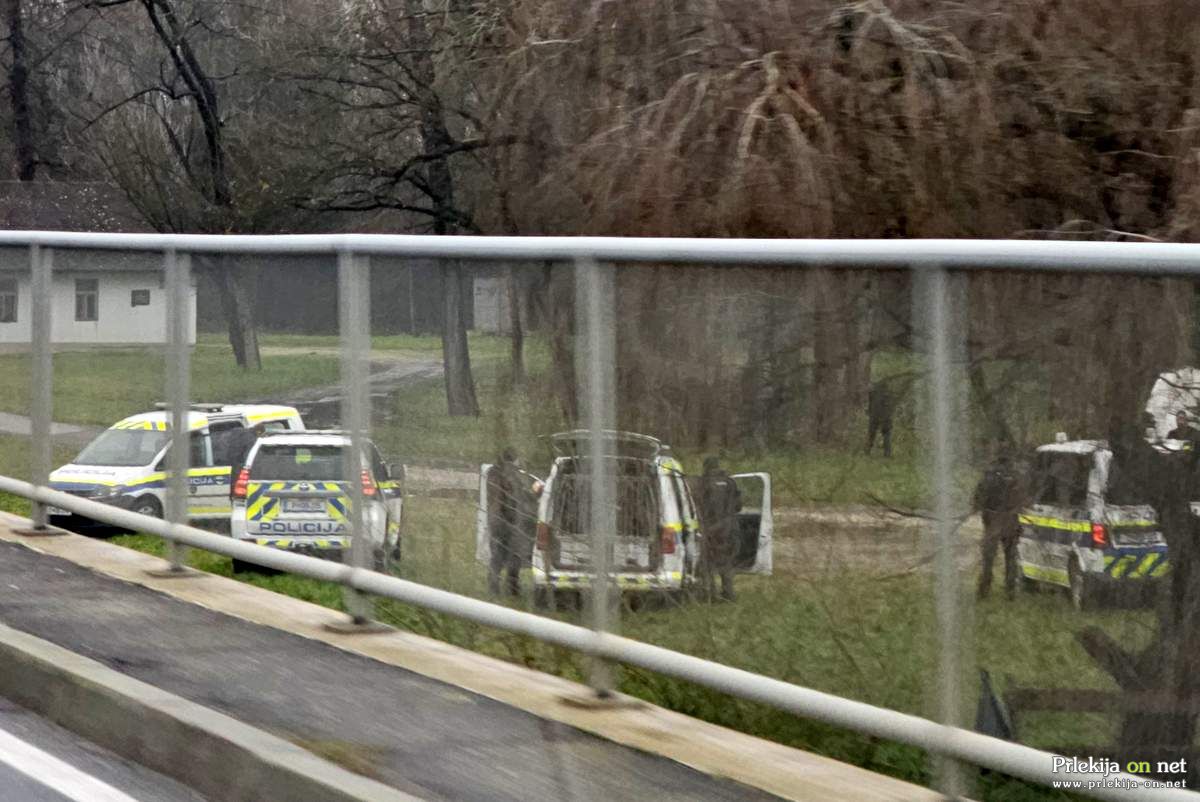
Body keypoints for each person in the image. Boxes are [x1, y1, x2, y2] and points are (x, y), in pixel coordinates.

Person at [974, 447, 1024, 600]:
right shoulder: (1016, 475)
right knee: (1011, 557)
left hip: (992, 520)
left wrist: (979, 507)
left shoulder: (989, 475)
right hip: (1010, 521)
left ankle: (984, 589)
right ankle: (1010, 591)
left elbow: (979, 496)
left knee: (988, 557)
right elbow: (1021, 498)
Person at [486, 448, 537, 597]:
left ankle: (494, 587)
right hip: (507, 521)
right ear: (514, 459)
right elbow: (512, 498)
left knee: (497, 557)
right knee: (514, 556)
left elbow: (496, 498)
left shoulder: (493, 473)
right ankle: (512, 588)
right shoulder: (510, 474)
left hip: (495, 521)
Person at [694, 456, 742, 602]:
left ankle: (711, 595)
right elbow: (738, 506)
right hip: (729, 529)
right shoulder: (730, 482)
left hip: (710, 529)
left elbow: (698, 506)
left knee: (707, 562)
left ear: (706, 467)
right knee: (726, 562)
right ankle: (728, 594)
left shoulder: (703, 483)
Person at [866, 380, 895, 458]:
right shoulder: (874, 394)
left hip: (880, 417)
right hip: (878, 417)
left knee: (883, 435)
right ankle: (868, 452)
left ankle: (886, 454)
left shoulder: (877, 394)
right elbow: (871, 406)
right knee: (874, 435)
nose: (869, 387)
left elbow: (887, 407)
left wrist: (871, 413)